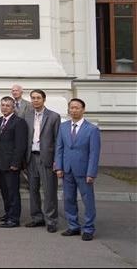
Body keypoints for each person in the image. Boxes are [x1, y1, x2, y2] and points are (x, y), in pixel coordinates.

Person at [55, 99, 101, 241]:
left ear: (83, 109)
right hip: (67, 169)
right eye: (71, 108)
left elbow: (94, 153)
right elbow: (59, 148)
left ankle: (88, 228)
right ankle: (73, 226)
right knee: (69, 199)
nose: (74, 110)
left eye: (77, 108)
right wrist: (59, 167)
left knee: (88, 200)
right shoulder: (63, 127)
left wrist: (91, 172)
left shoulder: (92, 129)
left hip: (84, 171)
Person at [25, 89, 61, 232]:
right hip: (31, 157)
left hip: (47, 158)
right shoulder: (27, 116)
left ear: (44, 99)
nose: (35, 100)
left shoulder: (53, 116)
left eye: (38, 98)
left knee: (49, 190)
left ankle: (51, 221)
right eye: (33, 98)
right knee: (33, 190)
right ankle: (36, 218)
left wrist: (57, 161)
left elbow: (58, 140)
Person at [0, 97, 27, 228]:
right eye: (3, 105)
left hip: (12, 164)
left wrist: (16, 163)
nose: (4, 108)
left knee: (12, 192)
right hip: (0, 162)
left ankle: (14, 218)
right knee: (5, 191)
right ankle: (8, 214)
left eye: (7, 105)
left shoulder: (19, 122)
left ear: (13, 108)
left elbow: (20, 145)